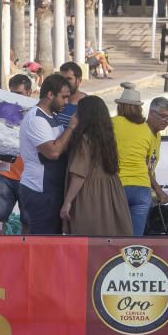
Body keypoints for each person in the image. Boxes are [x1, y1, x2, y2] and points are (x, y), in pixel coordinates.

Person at [60, 96, 132, 236]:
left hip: (90, 196)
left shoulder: (84, 139)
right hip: (112, 193)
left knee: (89, 242)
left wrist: (67, 202)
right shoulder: (107, 137)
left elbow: (79, 174)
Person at [18, 74, 76, 234]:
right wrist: (71, 127)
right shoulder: (36, 119)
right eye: (63, 97)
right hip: (40, 189)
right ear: (50, 94)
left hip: (52, 189)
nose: (66, 102)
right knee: (42, 242)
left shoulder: (53, 117)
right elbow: (53, 152)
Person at [112, 86, 168, 236]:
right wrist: (158, 190)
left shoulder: (156, 135)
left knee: (118, 236)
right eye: (163, 116)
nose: (167, 121)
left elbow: (149, 167)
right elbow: (145, 165)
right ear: (149, 112)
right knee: (135, 238)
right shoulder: (144, 130)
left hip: (124, 186)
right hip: (141, 189)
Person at [0, 74, 33, 231]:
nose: (15, 97)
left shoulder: (36, 115)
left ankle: (25, 255)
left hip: (28, 178)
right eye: (12, 93)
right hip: (5, 175)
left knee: (28, 222)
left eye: (19, 93)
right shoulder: (3, 112)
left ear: (29, 92)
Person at [56, 61, 86, 127]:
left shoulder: (86, 105)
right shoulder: (54, 101)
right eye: (62, 79)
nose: (64, 82)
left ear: (79, 80)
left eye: (69, 79)